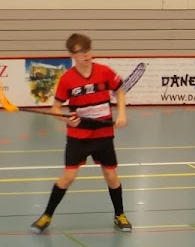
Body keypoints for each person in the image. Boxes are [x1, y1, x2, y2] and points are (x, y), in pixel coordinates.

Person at [31, 33, 131, 234]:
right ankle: (46, 215)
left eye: (88, 50)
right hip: (78, 137)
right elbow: (56, 109)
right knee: (68, 177)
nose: (86, 55)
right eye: (81, 52)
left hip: (103, 134)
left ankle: (119, 214)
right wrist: (66, 119)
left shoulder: (104, 72)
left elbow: (120, 90)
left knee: (111, 176)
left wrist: (122, 114)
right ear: (72, 55)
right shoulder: (67, 79)